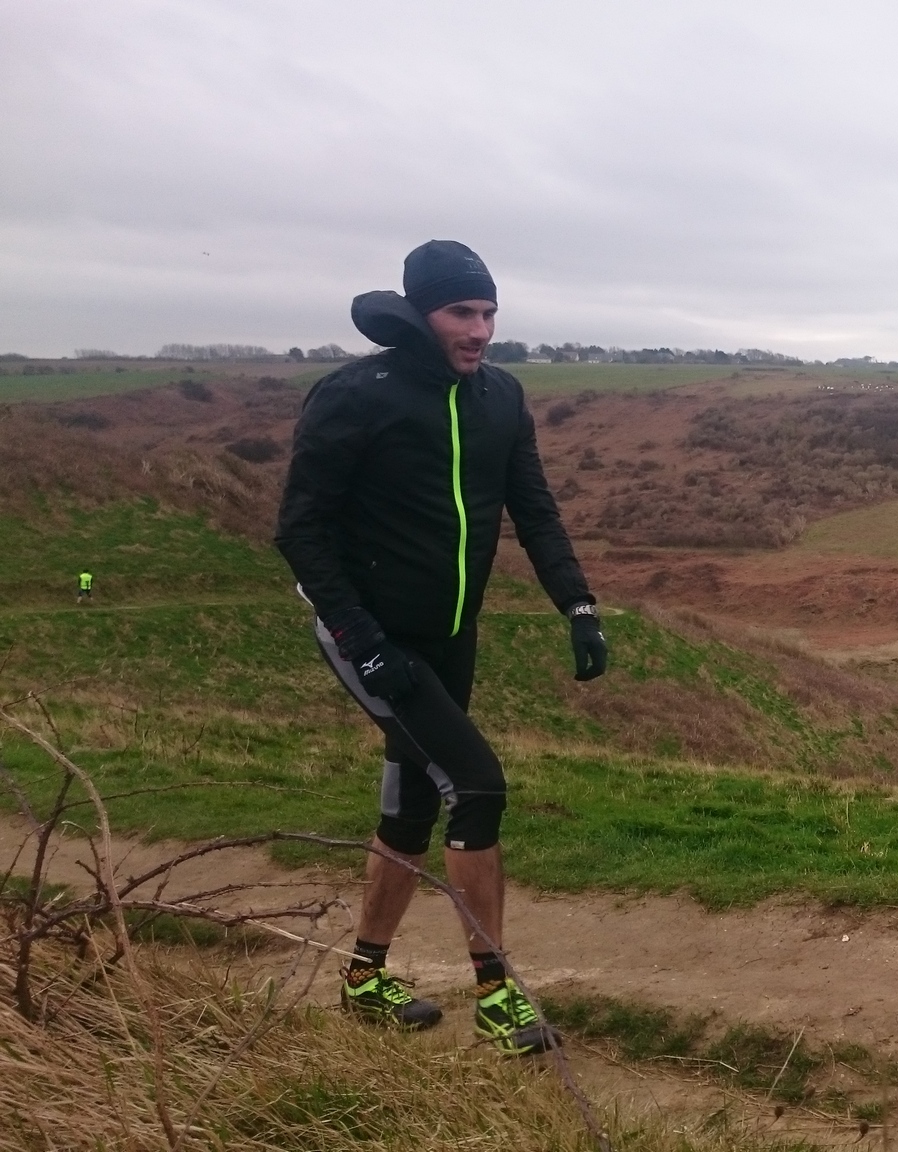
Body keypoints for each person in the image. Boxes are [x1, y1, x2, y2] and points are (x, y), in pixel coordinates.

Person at [276, 240, 609, 1056]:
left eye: (489, 312)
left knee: (412, 803)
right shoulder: (357, 395)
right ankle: (495, 995)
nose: (481, 329)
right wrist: (361, 640)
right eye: (463, 312)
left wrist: (577, 604)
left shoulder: (501, 397)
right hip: (371, 635)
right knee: (477, 784)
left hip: (452, 632)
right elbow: (301, 530)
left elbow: (535, 511)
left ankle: (363, 979)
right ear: (422, 313)